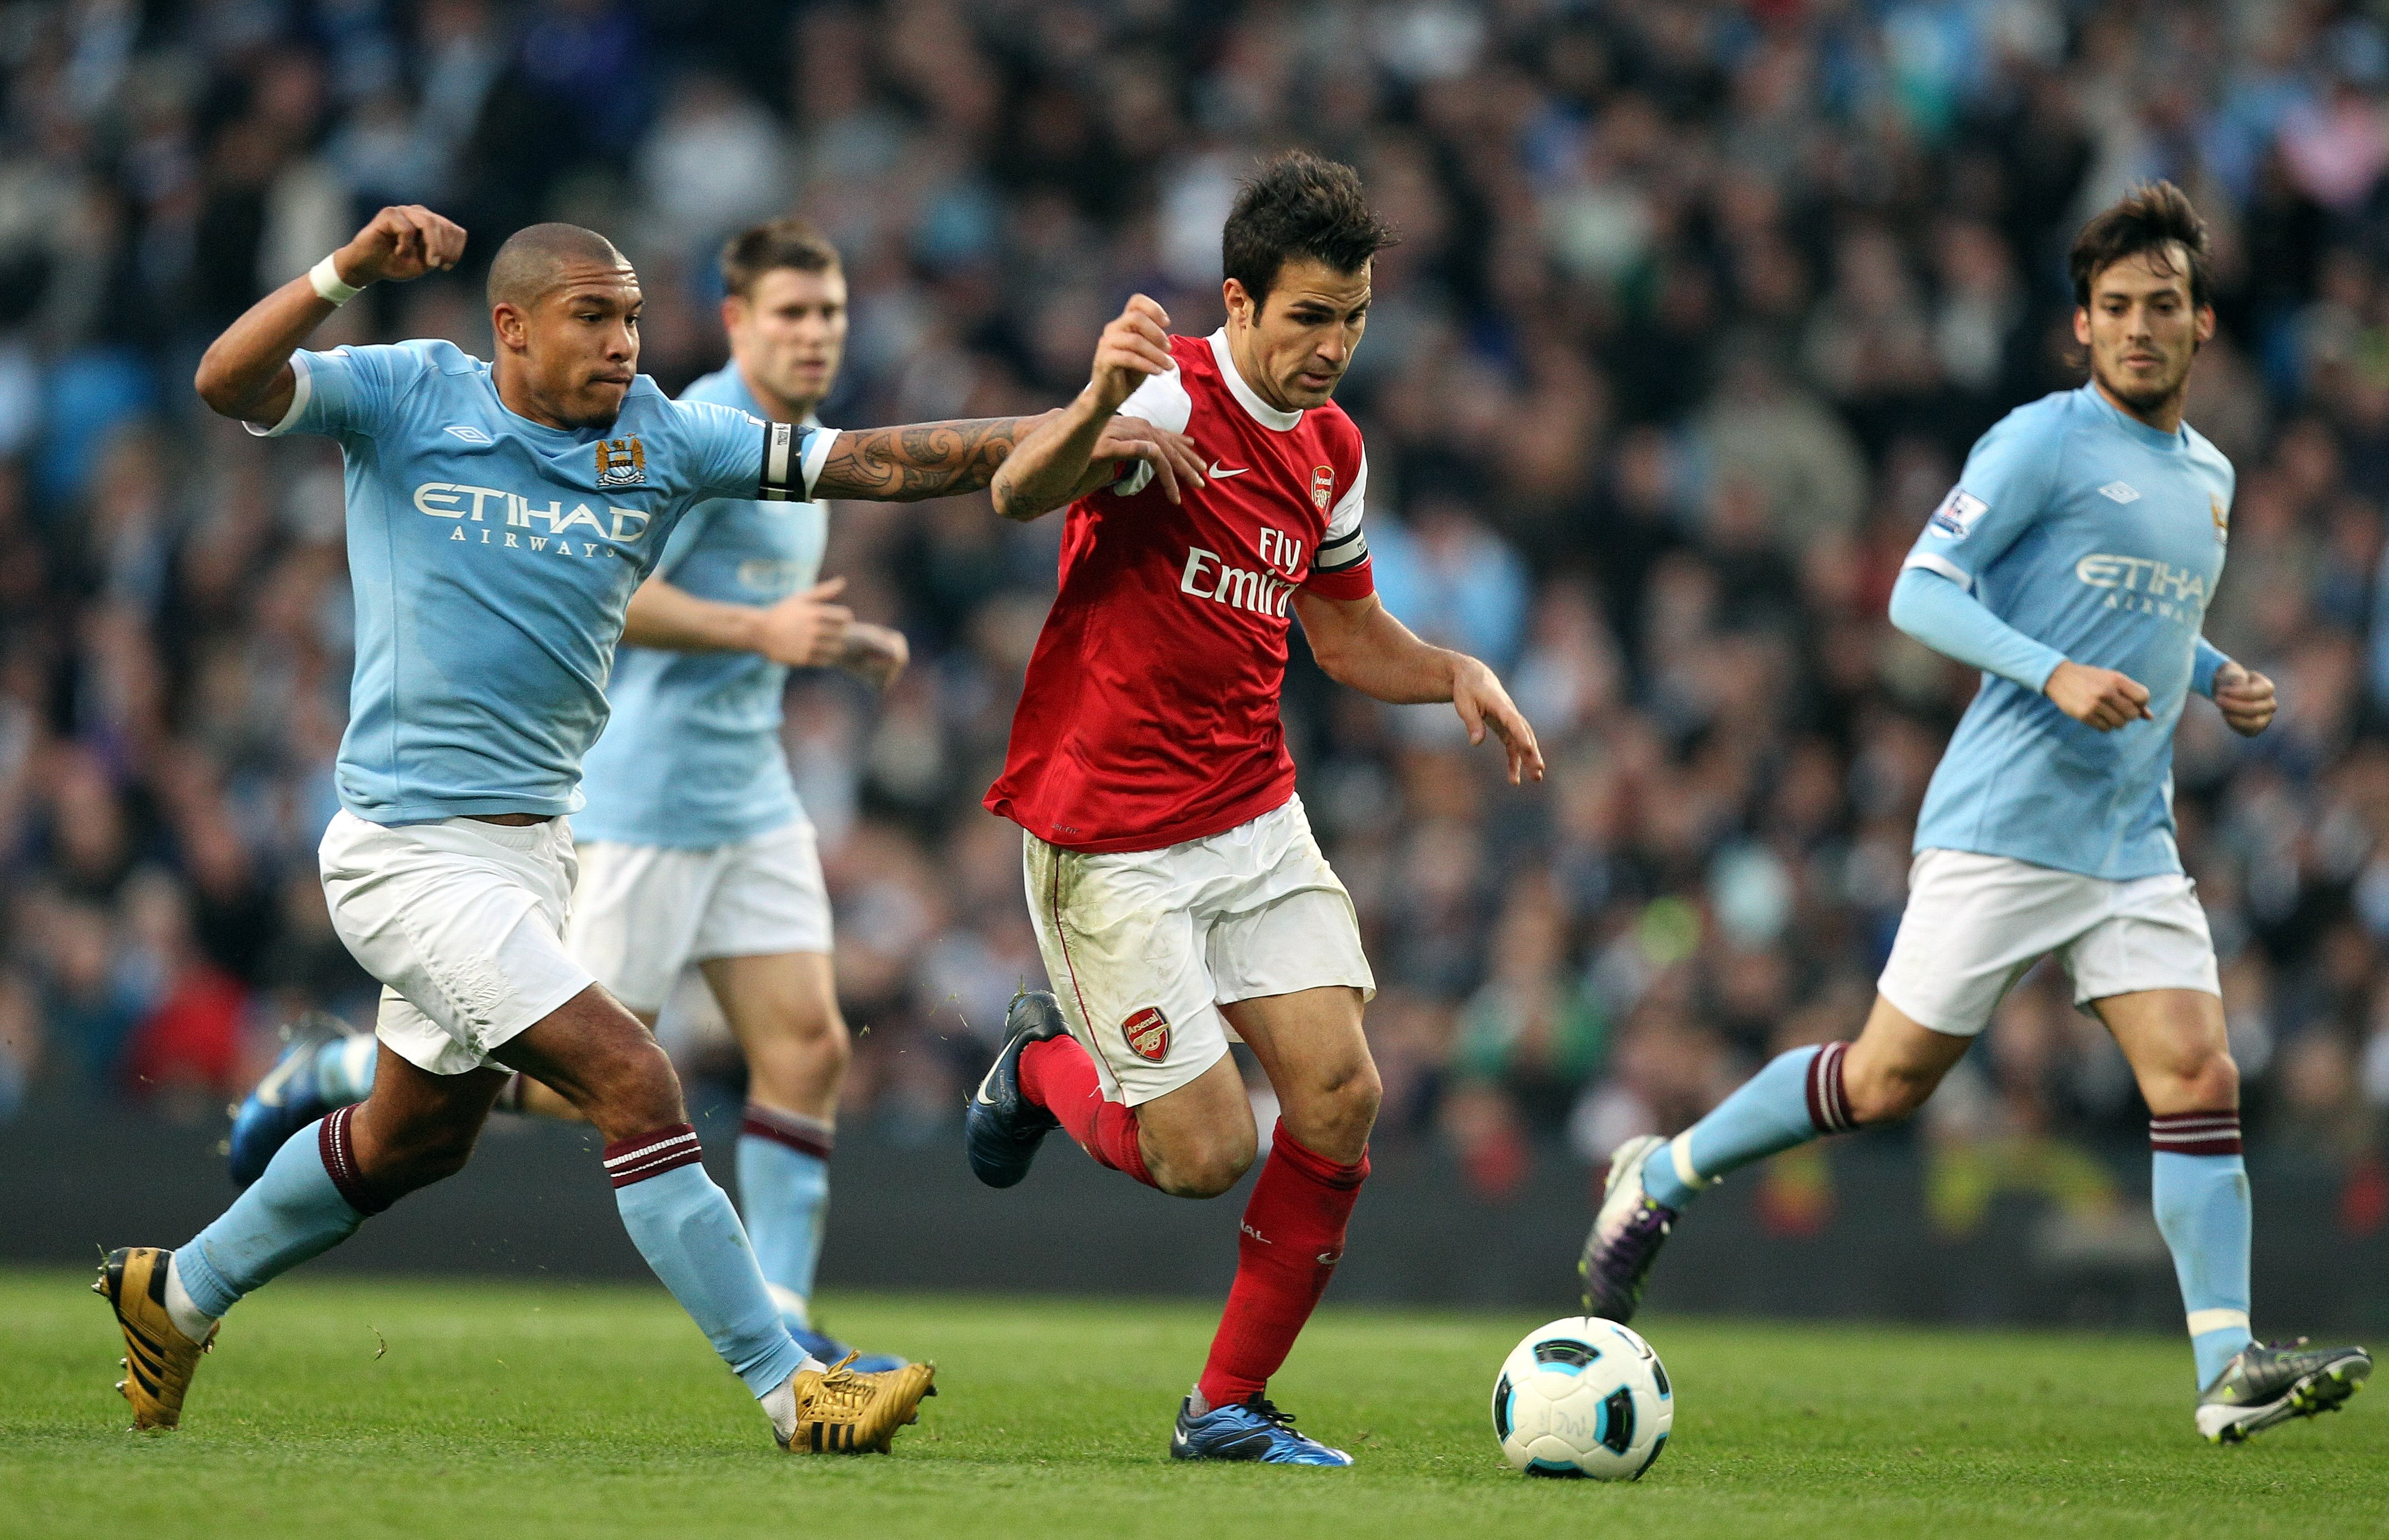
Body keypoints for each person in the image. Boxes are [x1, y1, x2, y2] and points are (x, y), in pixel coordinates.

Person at [99, 205, 1197, 1452]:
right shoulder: (411, 396)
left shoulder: (660, 436)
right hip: (406, 849)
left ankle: (175, 1292)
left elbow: (879, 458)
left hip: (534, 852)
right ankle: (794, 1391)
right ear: (509, 327)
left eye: (630, 315)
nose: (626, 340)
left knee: (415, 1140)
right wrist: (342, 272)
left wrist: (1086, 424)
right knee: (632, 1074)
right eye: (593, 317)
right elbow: (225, 380)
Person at [1577, 182, 2372, 1444]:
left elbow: (2142, 609)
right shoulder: (2039, 443)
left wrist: (2217, 676)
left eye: (2159, 306)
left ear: (2201, 324)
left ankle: (2224, 1369)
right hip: (2004, 821)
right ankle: (1662, 1171)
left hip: (2128, 837)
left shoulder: (2209, 475)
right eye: (2112, 308)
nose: (2135, 328)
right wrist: (2047, 671)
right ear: (2079, 326)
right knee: (1887, 1080)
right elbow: (1917, 593)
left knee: (2194, 1069)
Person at [961, 152, 1544, 1466]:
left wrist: (1451, 668)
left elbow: (1342, 640)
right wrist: (1101, 398)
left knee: (1339, 1096)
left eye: (1353, 317)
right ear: (1236, 302)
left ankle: (1223, 1406)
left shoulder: (1330, 448)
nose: (1334, 346)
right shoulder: (1165, 391)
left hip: (1250, 814)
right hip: (1106, 832)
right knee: (1202, 1154)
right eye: (1308, 318)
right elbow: (1015, 493)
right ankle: (1037, 1068)